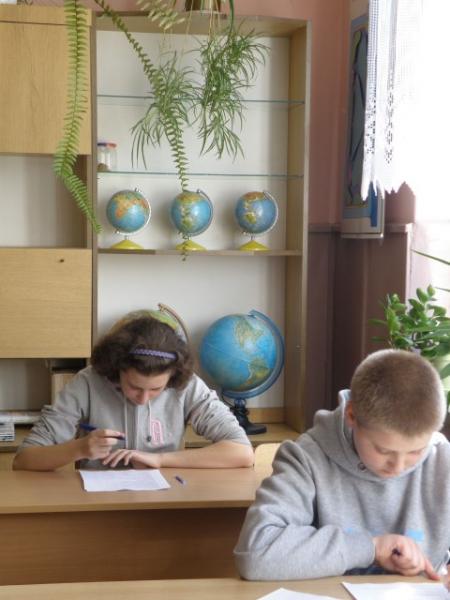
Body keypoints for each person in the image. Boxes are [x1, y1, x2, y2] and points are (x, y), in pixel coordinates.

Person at [234, 349, 450, 583]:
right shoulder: (306, 458)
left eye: (416, 451)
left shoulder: (443, 460)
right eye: (383, 450)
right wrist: (372, 548)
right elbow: (256, 553)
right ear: (352, 415)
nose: (398, 467)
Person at [13, 314, 254, 471]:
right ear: (116, 369)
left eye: (156, 389)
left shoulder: (187, 385)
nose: (143, 399)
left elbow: (241, 452)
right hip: (97, 507)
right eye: (134, 386)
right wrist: (80, 448)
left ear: (172, 377)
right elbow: (24, 459)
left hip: (164, 501)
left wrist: (160, 460)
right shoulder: (87, 382)